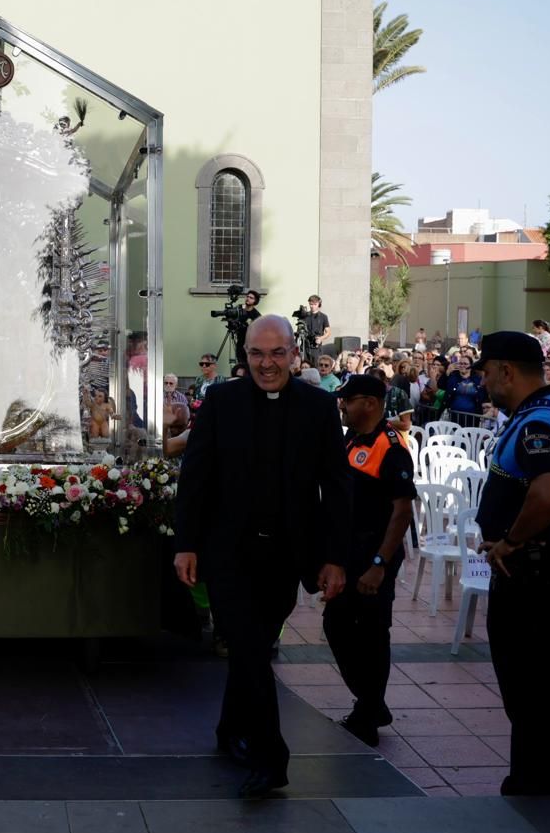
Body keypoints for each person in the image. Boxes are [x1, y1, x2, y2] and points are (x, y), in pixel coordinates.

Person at [173, 315, 351, 801]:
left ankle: (230, 728)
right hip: (228, 550)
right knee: (250, 647)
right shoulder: (220, 401)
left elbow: (336, 488)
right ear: (245, 355)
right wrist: (185, 543)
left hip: (286, 556)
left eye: (277, 354)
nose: (267, 364)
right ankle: (272, 757)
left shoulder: (318, 406)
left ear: (294, 354)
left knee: (252, 646)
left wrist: (334, 557)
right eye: (257, 354)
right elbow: (196, 476)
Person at [473, 331, 550, 797]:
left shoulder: (538, 424)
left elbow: (549, 494)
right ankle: (541, 772)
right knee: (542, 677)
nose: (484, 383)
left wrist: (508, 541)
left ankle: (537, 778)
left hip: (533, 570)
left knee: (528, 680)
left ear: (507, 371)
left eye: (487, 373)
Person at [326, 374, 414, 748]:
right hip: (349, 556)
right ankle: (372, 702)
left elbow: (402, 512)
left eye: (347, 399)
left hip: (375, 559)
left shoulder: (391, 447)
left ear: (371, 404)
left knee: (373, 636)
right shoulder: (351, 439)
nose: (341, 405)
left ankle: (368, 715)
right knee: (337, 625)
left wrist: (379, 563)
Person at [300, 295, 330, 366]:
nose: (312, 306)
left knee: (316, 367)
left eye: (314, 304)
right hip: (305, 346)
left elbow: (328, 332)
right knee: (305, 367)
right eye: (310, 304)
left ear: (319, 304)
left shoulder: (323, 317)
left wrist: (321, 338)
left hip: (316, 347)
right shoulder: (305, 316)